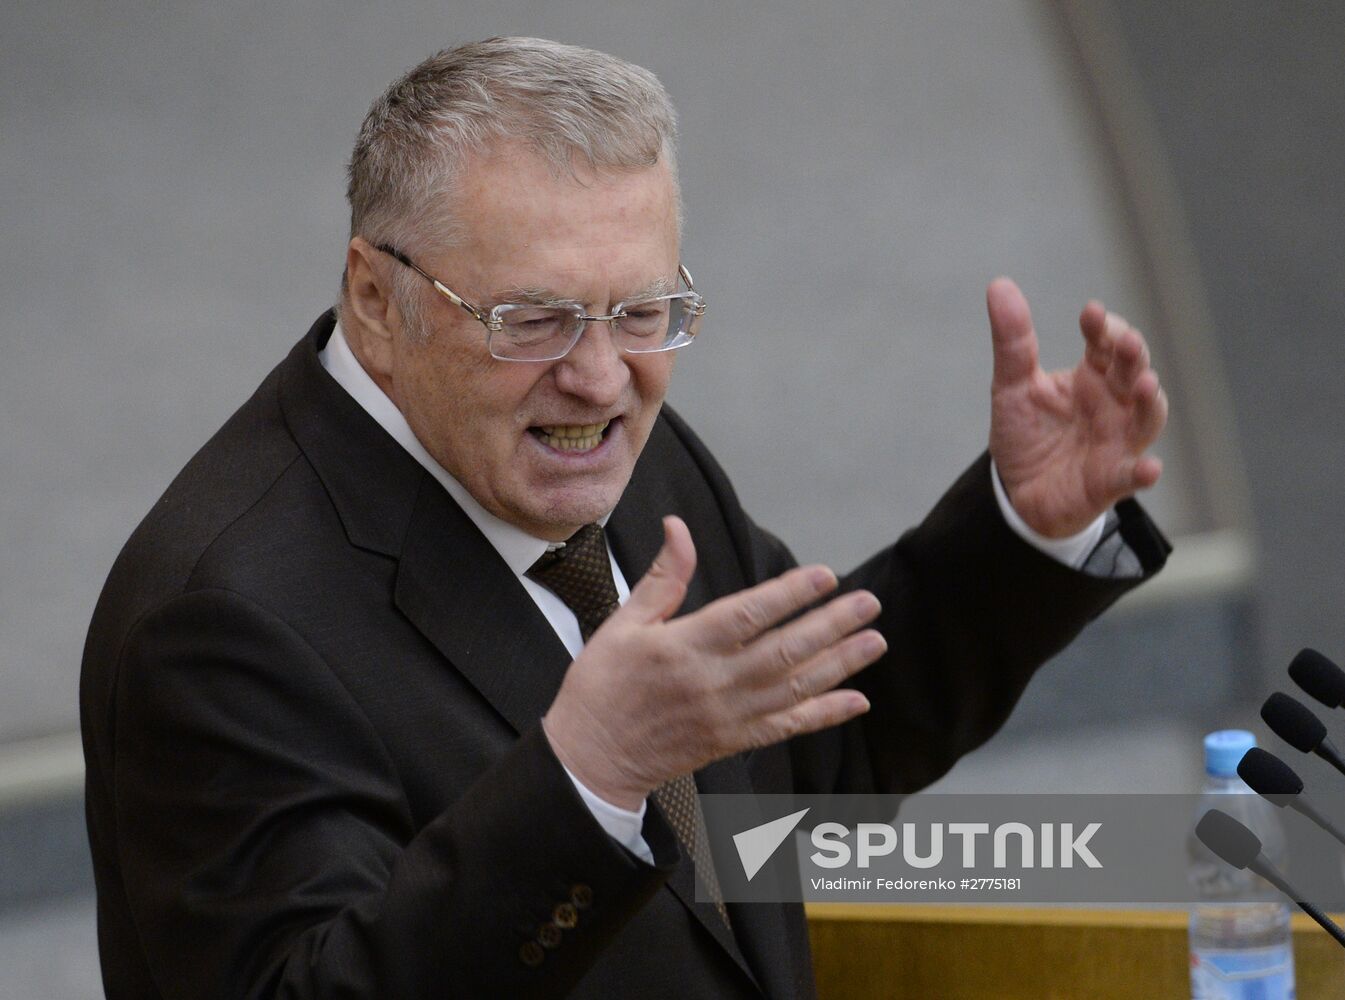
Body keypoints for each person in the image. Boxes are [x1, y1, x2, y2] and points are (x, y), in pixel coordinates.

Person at [80, 37, 1171, 1000]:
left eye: (643, 310)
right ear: (377, 300)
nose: (602, 379)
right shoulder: (222, 624)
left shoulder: (594, 450)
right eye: (535, 319)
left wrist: (1020, 531)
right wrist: (583, 778)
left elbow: (798, 763)